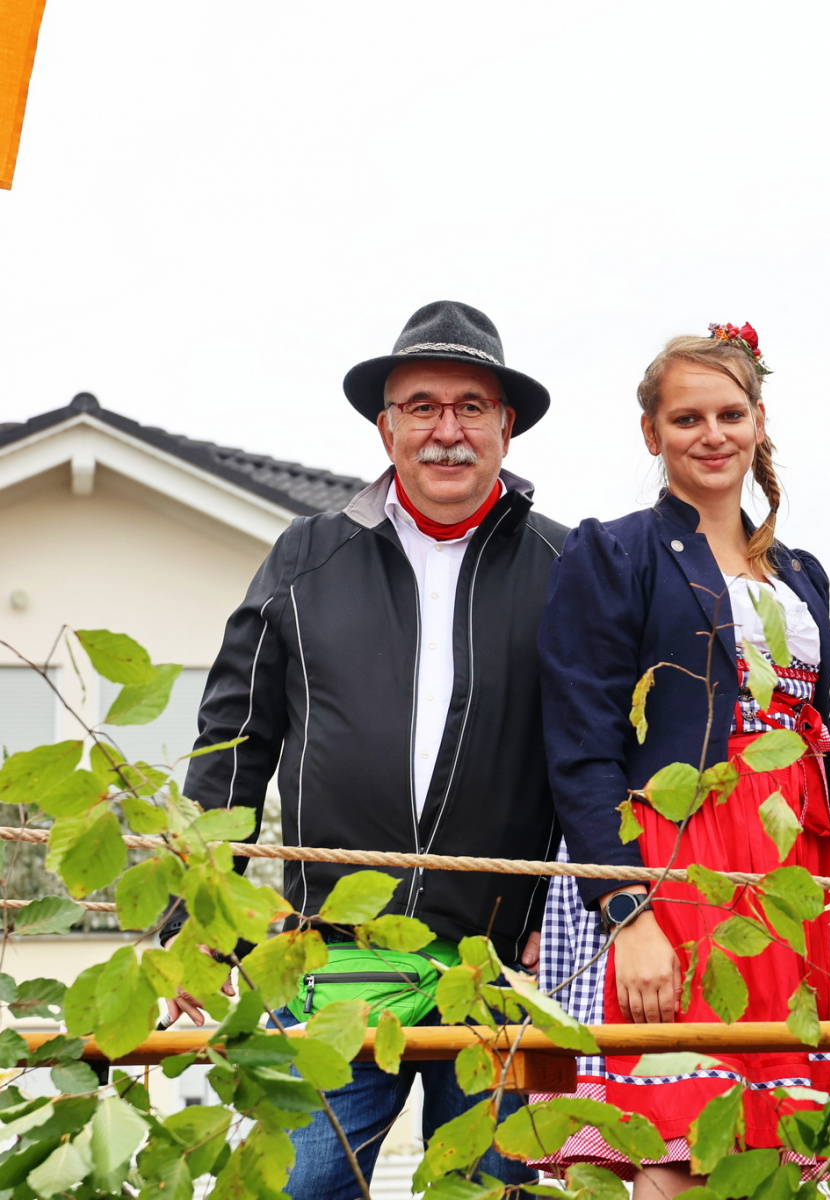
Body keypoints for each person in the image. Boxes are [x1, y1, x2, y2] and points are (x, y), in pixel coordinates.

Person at [173, 301, 567, 1196]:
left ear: (506, 427)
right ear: (386, 429)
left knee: (494, 1190)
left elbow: (594, 755)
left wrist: (580, 910)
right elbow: (233, 743)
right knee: (299, 1185)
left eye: (471, 407)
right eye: (421, 407)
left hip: (501, 970)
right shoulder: (306, 556)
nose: (446, 431)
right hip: (335, 963)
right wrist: (198, 918)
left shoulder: (566, 565)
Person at [534, 325, 830, 1194]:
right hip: (681, 866)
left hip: (796, 866)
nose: (712, 435)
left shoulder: (803, 573)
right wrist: (628, 912)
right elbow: (581, 748)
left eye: (730, 415)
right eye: (686, 419)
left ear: (758, 423)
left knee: (782, 1153)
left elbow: (822, 732)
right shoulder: (615, 551)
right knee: (676, 1145)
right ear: (652, 433)